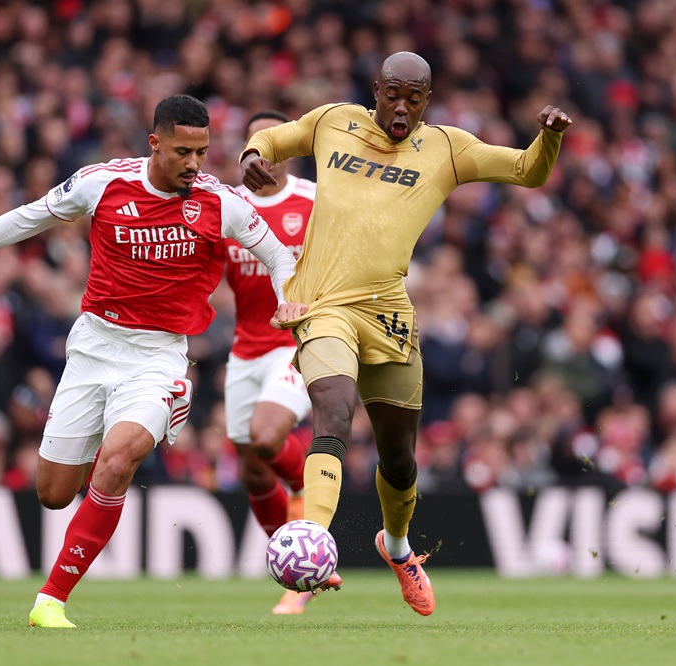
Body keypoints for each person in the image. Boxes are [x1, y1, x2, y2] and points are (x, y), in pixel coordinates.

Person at [0, 95, 303, 629]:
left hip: (159, 356)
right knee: (53, 493)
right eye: (183, 151)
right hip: (93, 351)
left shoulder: (221, 202)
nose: (195, 164)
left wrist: (287, 300)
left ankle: (51, 599)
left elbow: (277, 254)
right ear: (154, 143)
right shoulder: (102, 183)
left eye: (202, 152)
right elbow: (25, 220)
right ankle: (121, 443)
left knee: (116, 461)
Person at [240, 51, 572, 616]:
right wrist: (253, 152)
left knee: (399, 459)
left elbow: (526, 171)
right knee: (334, 408)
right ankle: (313, 541)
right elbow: (277, 139)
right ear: (376, 89)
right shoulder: (333, 122)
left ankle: (396, 548)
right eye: (392, 94)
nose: (401, 107)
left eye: (414, 98)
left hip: (389, 314)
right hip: (323, 306)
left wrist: (548, 140)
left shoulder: (446, 147)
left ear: (428, 100)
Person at [224, 111, 315, 615]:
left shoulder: (314, 200)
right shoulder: (228, 207)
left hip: (297, 341)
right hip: (244, 348)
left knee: (265, 436)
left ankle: (305, 481)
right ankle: (298, 570)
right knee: (254, 472)